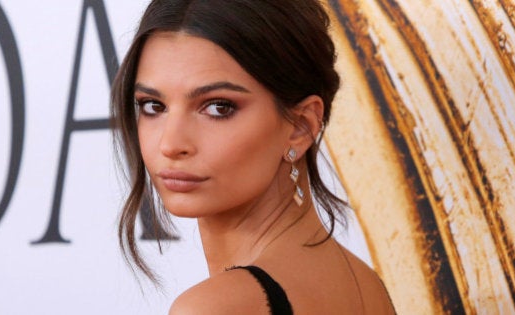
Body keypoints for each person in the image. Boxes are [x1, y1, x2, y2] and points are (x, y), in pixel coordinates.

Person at [111, 0, 395, 313]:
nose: (171, 143)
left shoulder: (214, 307)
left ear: (301, 126)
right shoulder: (365, 283)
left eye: (219, 107)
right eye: (153, 106)